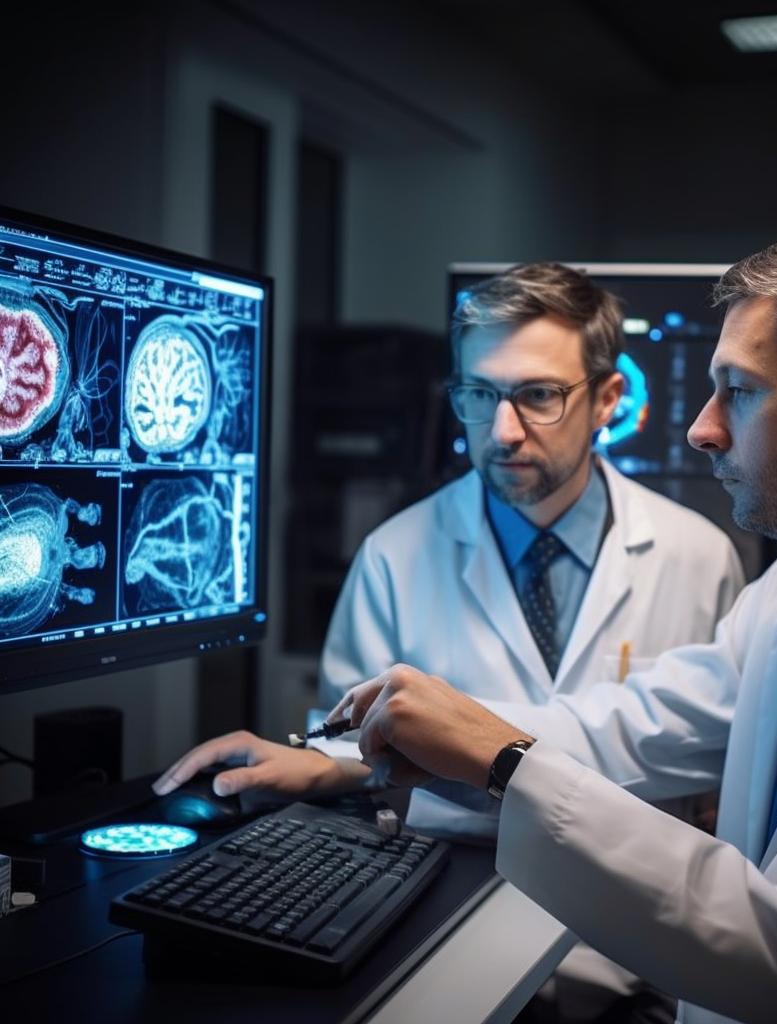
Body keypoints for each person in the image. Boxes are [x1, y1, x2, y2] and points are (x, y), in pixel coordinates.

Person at [323, 225, 777, 1023]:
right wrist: (369, 751)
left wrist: (506, 759)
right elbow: (634, 727)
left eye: (742, 390)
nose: (701, 428)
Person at [156, 262, 743, 1019]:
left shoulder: (697, 558)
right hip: (451, 934)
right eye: (479, 394)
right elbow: (354, 747)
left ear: (607, 399)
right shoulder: (396, 553)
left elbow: (705, 782)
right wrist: (314, 760)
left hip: (635, 954)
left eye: (538, 395)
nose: (501, 432)